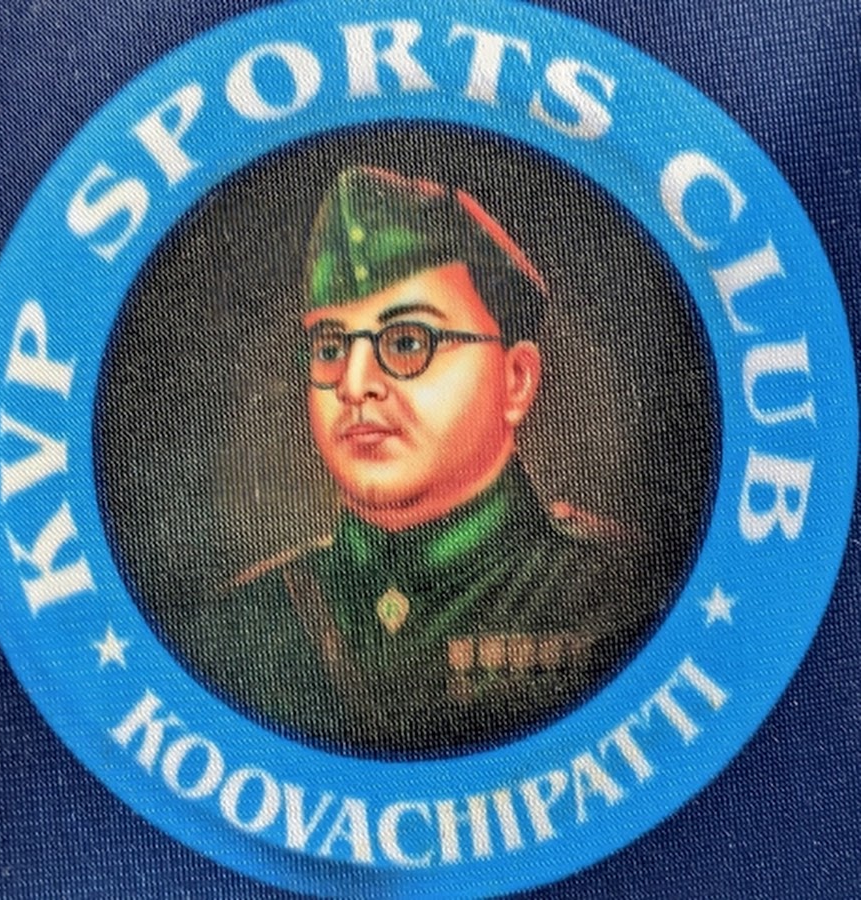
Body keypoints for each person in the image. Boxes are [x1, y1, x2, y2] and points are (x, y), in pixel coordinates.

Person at [187, 166, 663, 755]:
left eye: (409, 342)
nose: (353, 385)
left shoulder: (628, 595)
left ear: (516, 380)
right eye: (331, 347)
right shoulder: (243, 623)